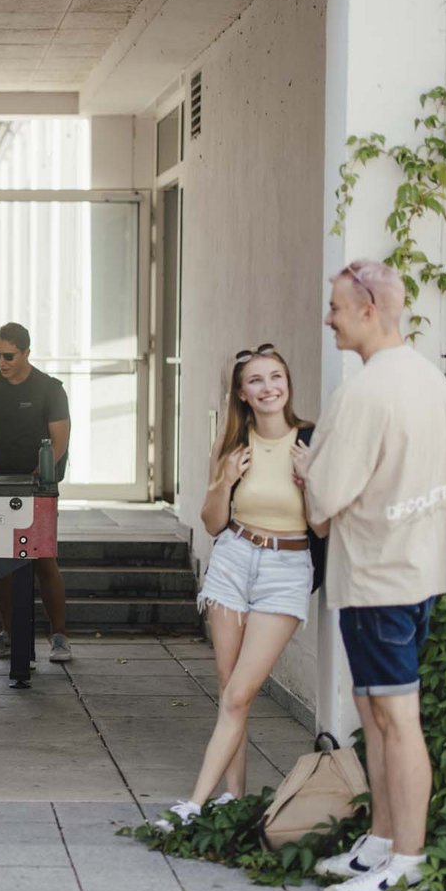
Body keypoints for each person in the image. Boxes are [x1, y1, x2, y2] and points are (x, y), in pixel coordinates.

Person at [295, 259, 446, 891]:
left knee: (396, 719)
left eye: (335, 306)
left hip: (377, 575)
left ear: (367, 310)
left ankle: (407, 862)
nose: (328, 317)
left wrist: (308, 468)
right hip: (415, 568)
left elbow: (324, 501)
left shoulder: (363, 394)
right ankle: (383, 841)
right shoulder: (429, 380)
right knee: (378, 713)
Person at [151, 343, 326, 831]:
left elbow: (325, 529)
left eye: (276, 377)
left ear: (287, 383)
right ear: (242, 393)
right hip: (233, 559)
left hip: (286, 569)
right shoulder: (232, 443)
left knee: (239, 693)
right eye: (256, 381)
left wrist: (311, 480)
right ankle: (234, 795)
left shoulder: (309, 441)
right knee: (230, 688)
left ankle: (193, 803)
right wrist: (221, 482)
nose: (269, 387)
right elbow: (212, 523)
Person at [0, 322, 72, 663]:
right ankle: (10, 634)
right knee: (0, 562)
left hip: (39, 486)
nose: (2, 361)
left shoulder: (49, 388)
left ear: (27, 352)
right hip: (0, 485)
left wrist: (37, 476)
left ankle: (59, 637)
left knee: (43, 560)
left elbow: (59, 442)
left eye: (9, 355)